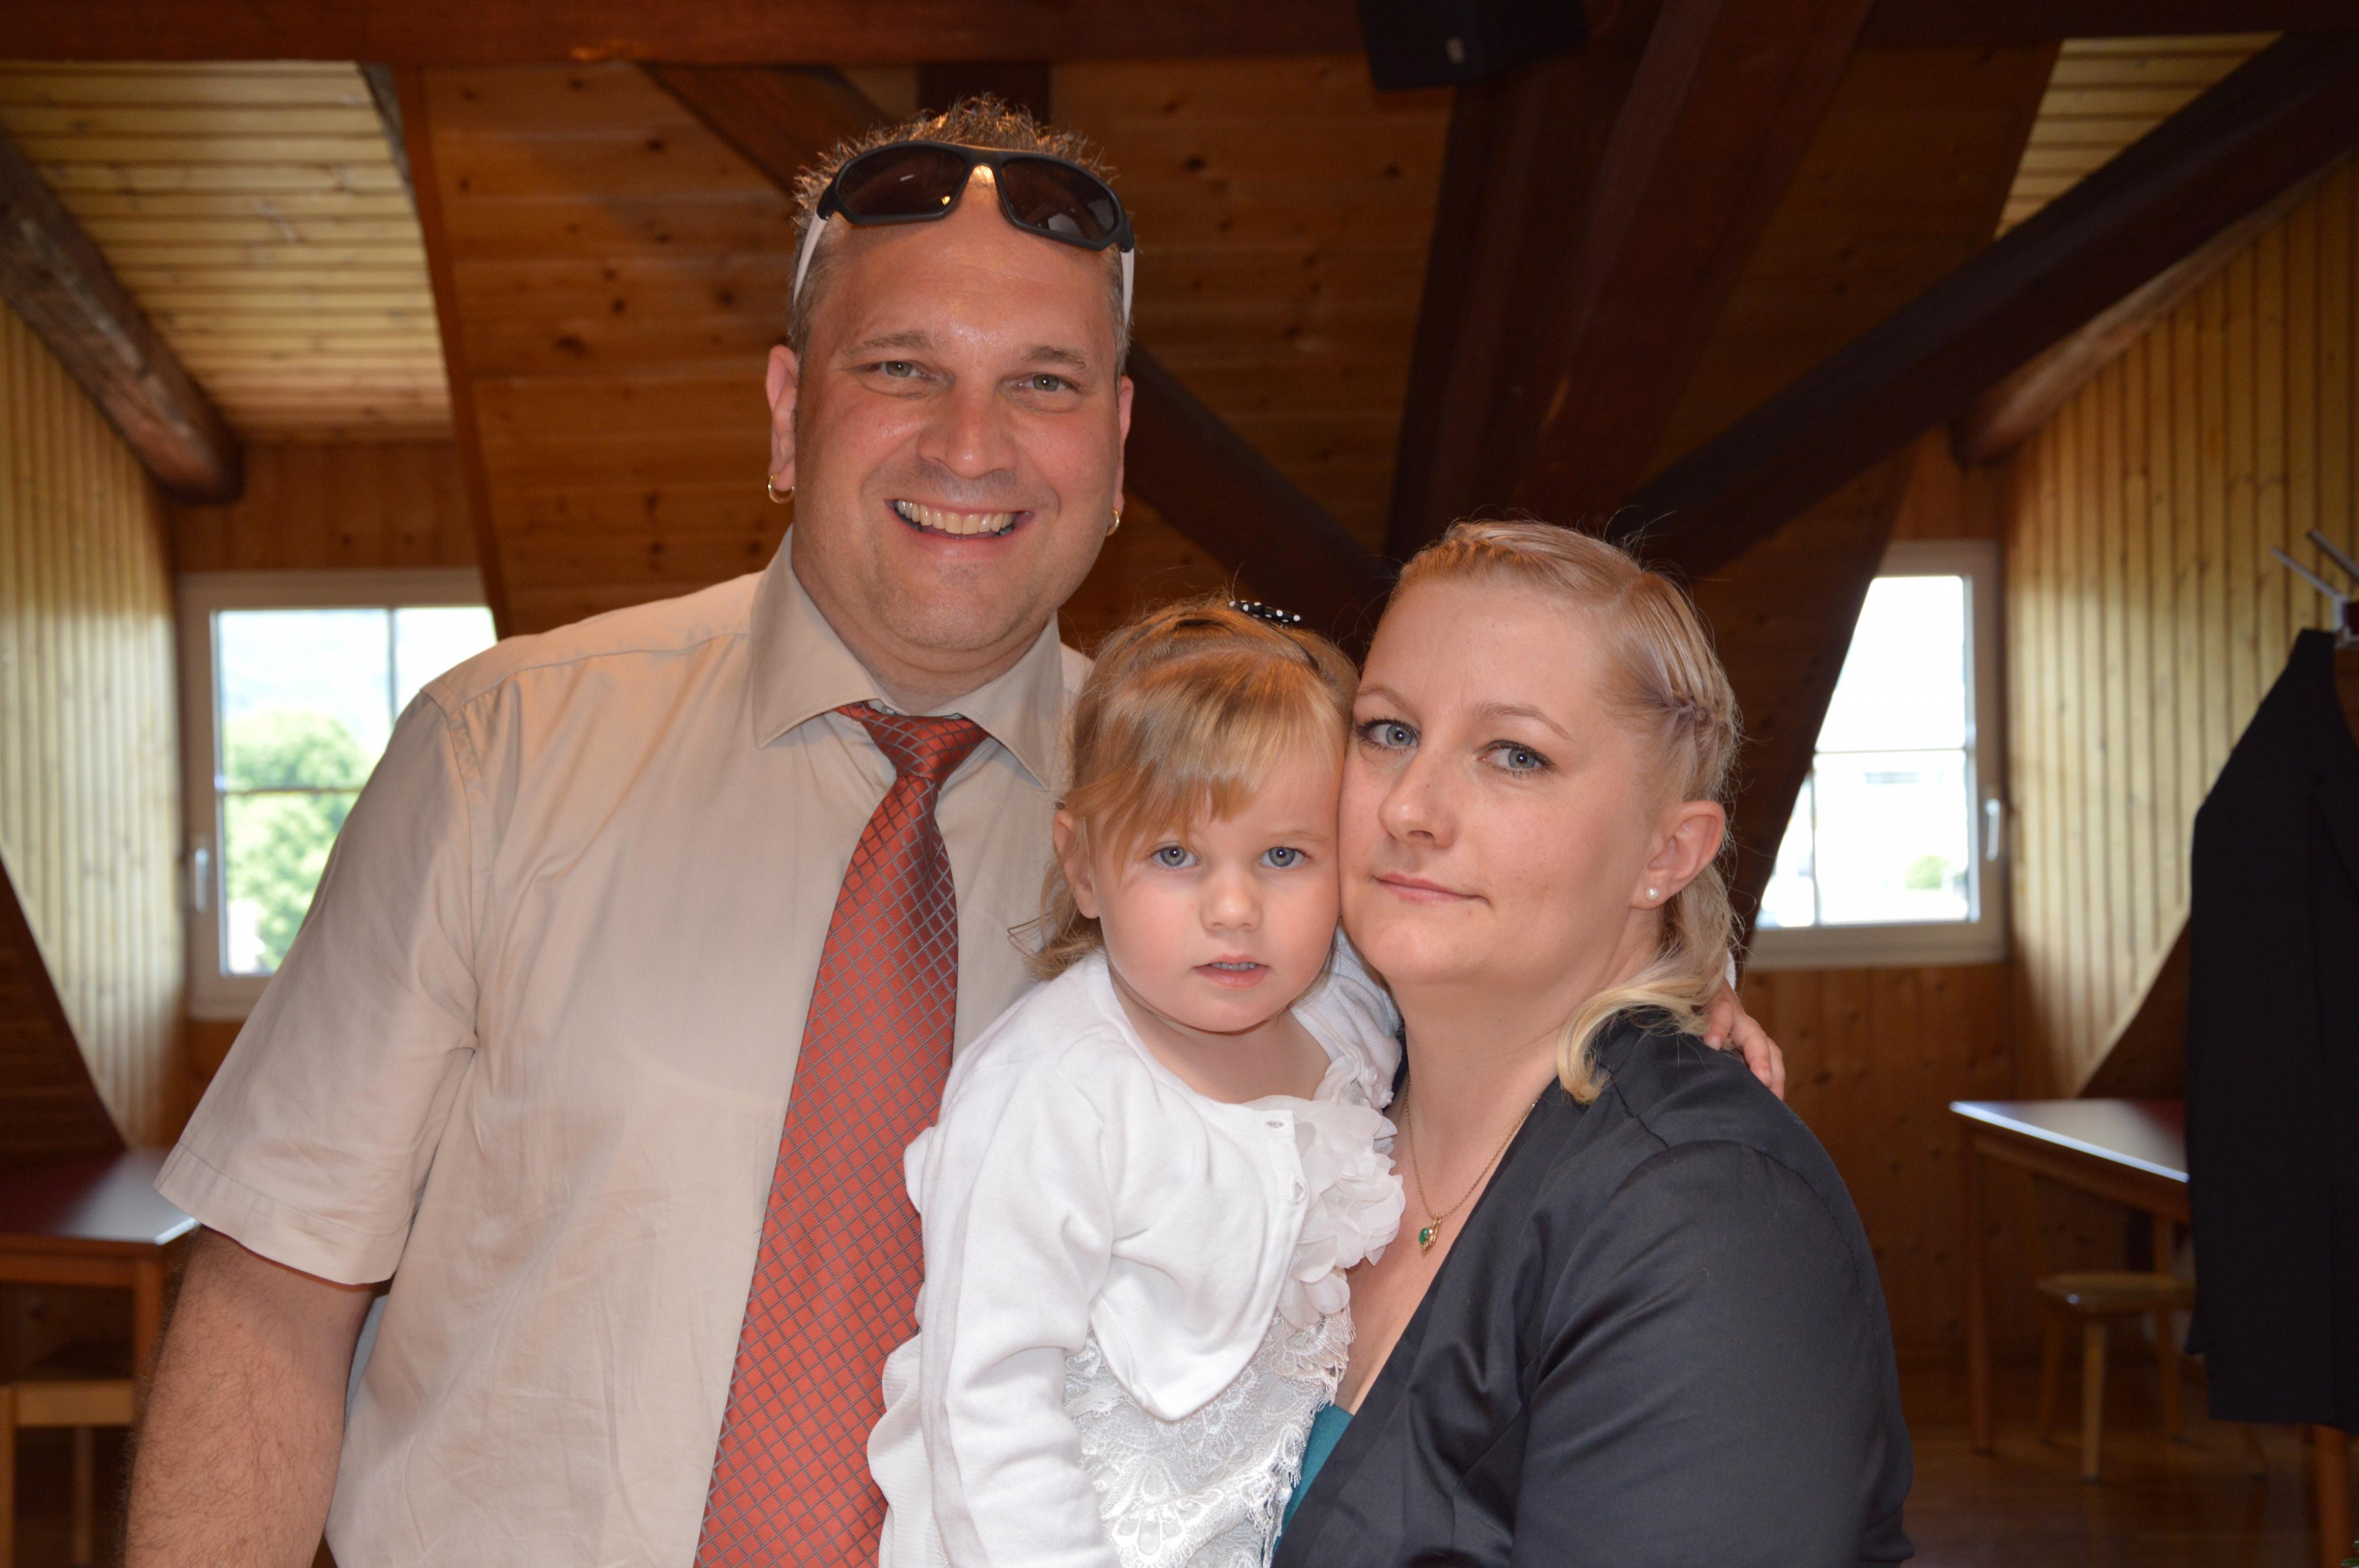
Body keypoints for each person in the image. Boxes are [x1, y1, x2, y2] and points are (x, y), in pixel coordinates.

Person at [126, 100, 1780, 1566]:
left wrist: (1651, 1014)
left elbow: (1478, 949)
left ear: (1115, 448)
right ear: (788, 412)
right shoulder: (497, 754)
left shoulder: (1243, 815)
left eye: (1041, 384)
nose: (970, 446)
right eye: (901, 368)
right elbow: (273, 1293)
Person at [1276, 522, 1911, 1567]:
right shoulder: (1314, 1103)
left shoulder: (1705, 1218)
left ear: (1668, 851)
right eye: (1388, 731)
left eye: (1515, 755)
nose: (1411, 806)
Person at [871, 598, 1404, 1568]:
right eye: (1175, 855)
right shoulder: (1053, 1091)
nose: (1235, 907)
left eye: (1285, 856)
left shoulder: (1351, 1012)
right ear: (1083, 864)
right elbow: (983, 1407)